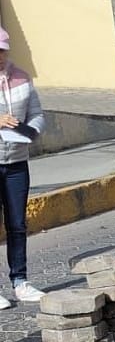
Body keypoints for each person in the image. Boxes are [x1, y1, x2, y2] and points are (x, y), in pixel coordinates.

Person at [0, 28, 46, 307]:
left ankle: (20, 281)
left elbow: (37, 113)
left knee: (17, 224)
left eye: (2, 50)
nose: (0, 56)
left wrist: (32, 131)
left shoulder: (22, 78)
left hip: (17, 163)